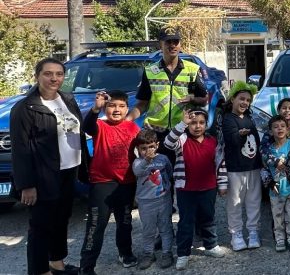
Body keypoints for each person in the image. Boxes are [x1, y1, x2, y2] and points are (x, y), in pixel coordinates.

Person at [10, 58, 86, 275]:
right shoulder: (25, 108)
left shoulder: (67, 99)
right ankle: (40, 270)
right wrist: (27, 185)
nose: (54, 78)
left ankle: (57, 263)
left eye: (59, 74)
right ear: (37, 76)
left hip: (69, 170)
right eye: (48, 73)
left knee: (61, 220)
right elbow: (20, 150)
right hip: (43, 176)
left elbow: (76, 132)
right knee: (41, 227)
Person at [127, 27, 208, 169]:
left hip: (181, 132)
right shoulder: (151, 71)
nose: (172, 45)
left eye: (175, 41)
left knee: (181, 173)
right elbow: (142, 103)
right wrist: (126, 120)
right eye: (168, 42)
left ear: (180, 44)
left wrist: (192, 99)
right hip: (154, 134)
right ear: (160, 44)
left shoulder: (192, 69)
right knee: (155, 176)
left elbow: (204, 99)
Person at [79, 90, 140, 274]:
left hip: (127, 183)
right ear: (106, 108)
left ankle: (125, 253)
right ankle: (87, 265)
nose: (116, 109)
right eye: (112, 105)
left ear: (127, 109)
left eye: (121, 106)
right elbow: (87, 126)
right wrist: (95, 108)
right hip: (102, 183)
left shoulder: (133, 128)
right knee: (96, 225)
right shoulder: (99, 125)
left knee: (125, 222)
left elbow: (145, 146)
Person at [164, 108, 228, 270]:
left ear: (207, 124)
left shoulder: (213, 141)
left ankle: (211, 245)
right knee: (186, 221)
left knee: (208, 218)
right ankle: (183, 253)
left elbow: (220, 164)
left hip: (208, 188)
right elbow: (167, 143)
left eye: (201, 122)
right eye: (193, 123)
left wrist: (222, 184)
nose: (197, 126)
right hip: (186, 189)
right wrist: (182, 124)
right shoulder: (182, 139)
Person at [221, 81, 262, 251]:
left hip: (253, 166)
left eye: (248, 100)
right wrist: (239, 135)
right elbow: (232, 140)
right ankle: (236, 234)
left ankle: (253, 232)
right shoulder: (227, 119)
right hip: (235, 168)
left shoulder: (250, 119)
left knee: (254, 201)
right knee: (235, 202)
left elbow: (257, 142)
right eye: (241, 99)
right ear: (232, 99)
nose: (245, 102)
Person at [131, 130, 174, 270]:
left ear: (157, 145)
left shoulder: (163, 159)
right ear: (138, 149)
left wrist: (167, 187)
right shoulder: (138, 162)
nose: (148, 151)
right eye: (143, 148)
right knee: (148, 230)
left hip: (164, 199)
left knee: (166, 227)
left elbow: (169, 171)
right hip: (146, 202)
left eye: (151, 147)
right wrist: (146, 160)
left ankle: (167, 252)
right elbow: (137, 172)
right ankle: (148, 253)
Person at [262, 116, 290, 252]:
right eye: (275, 126)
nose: (279, 128)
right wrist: (269, 182)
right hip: (276, 189)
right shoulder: (267, 150)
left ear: (288, 129)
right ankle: (280, 238)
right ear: (270, 131)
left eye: (282, 126)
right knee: (277, 215)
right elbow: (263, 168)